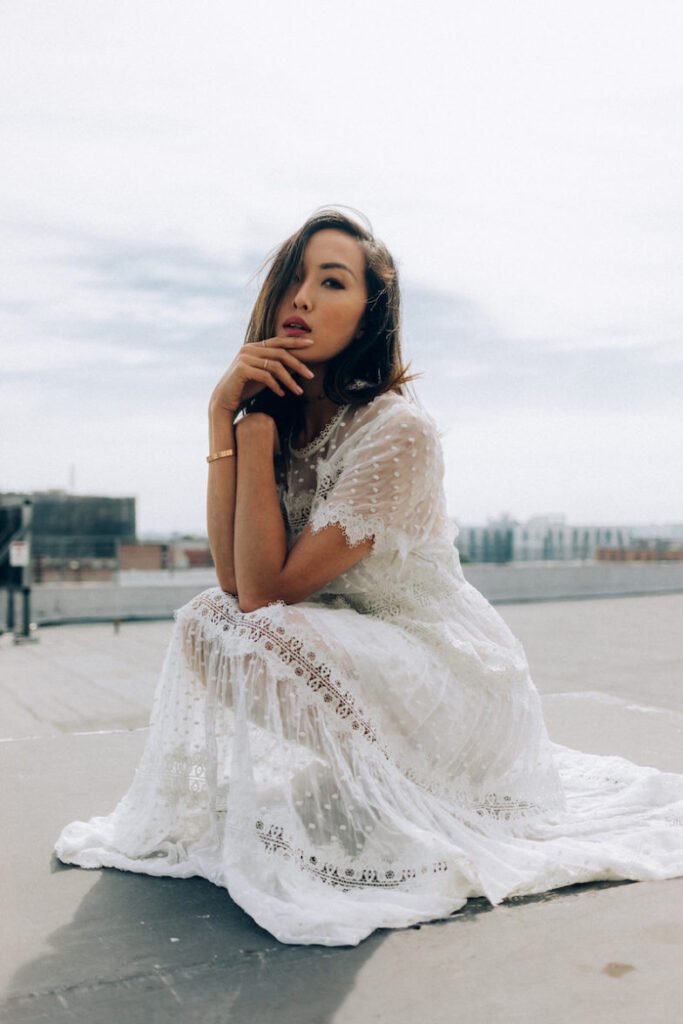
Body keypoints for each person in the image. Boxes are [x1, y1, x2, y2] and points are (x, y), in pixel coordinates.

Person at [55, 206, 683, 947]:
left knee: (263, 628)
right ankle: (369, 779)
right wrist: (230, 420)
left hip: (453, 685)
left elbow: (265, 593)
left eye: (331, 282)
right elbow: (230, 578)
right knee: (203, 622)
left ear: (369, 312)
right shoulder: (276, 424)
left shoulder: (397, 431)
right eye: (293, 280)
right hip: (364, 660)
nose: (302, 298)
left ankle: (398, 788)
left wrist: (248, 436)